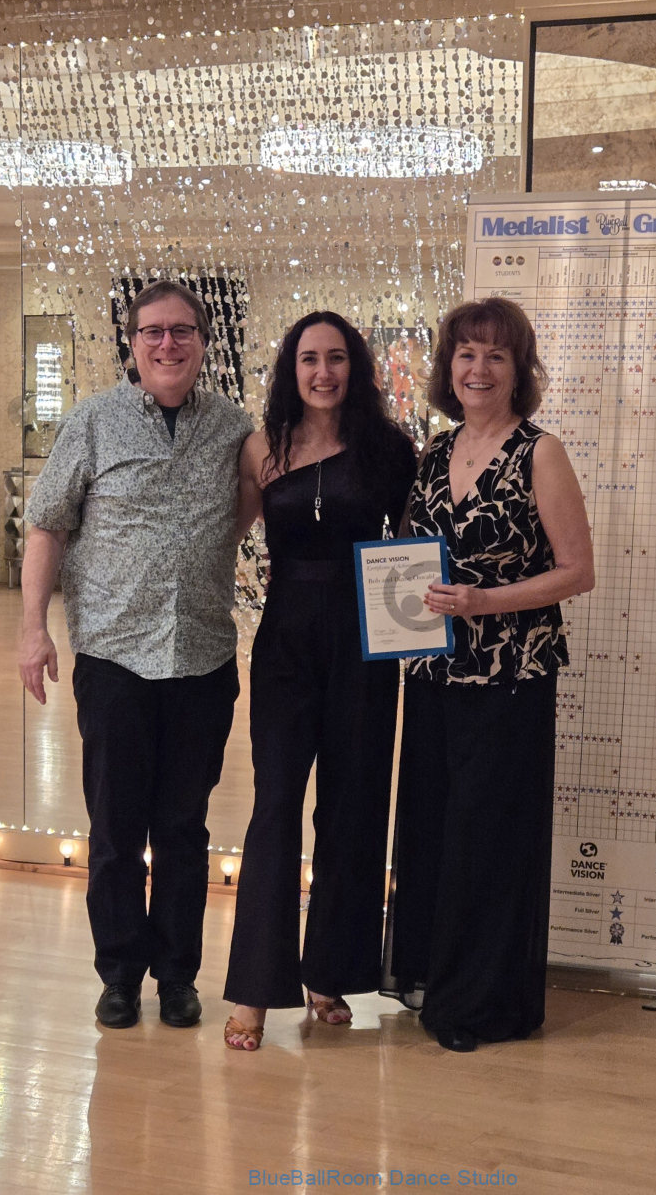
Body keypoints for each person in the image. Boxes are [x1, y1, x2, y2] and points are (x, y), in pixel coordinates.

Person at [19, 280, 253, 1030]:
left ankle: (177, 976)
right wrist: (32, 629)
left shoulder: (233, 428)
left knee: (183, 827)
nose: (167, 344)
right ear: (132, 342)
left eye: (182, 331)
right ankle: (119, 974)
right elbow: (47, 526)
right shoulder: (92, 422)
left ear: (204, 343)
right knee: (117, 829)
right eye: (153, 331)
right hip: (114, 657)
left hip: (202, 657)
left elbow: (249, 506)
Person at [381, 296, 595, 1052]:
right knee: (434, 831)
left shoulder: (540, 452)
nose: (478, 368)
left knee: (489, 840)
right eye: (466, 354)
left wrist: (484, 601)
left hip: (510, 679)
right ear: (449, 368)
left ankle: (480, 1005)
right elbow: (407, 558)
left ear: (517, 370)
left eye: (495, 355)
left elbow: (577, 572)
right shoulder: (434, 453)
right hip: (432, 678)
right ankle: (437, 981)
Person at [222, 311, 417, 1051]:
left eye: (337, 358)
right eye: (309, 359)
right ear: (291, 369)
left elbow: (415, 545)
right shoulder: (263, 447)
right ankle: (254, 990)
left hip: (367, 641)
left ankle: (329, 973)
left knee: (351, 805)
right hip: (285, 642)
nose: (323, 372)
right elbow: (228, 535)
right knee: (274, 804)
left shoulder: (389, 449)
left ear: (354, 367)